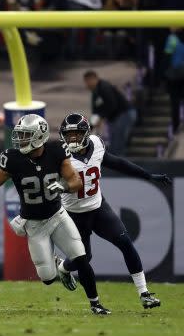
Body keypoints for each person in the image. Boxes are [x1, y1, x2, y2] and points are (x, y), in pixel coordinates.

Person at [0, 114, 111, 315]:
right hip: (34, 224)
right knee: (46, 277)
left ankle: (95, 303)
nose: (21, 140)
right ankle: (57, 264)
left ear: (40, 136)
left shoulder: (56, 151)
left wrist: (62, 186)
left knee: (81, 258)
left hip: (57, 216)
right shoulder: (13, 159)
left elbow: (76, 182)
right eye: (20, 135)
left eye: (26, 135)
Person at [56, 113, 171, 308]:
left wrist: (147, 175)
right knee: (84, 259)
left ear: (86, 133)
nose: (73, 138)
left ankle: (144, 293)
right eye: (69, 135)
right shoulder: (59, 156)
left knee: (125, 242)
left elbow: (117, 162)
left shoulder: (96, 144)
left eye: (76, 134)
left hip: (98, 207)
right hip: (73, 214)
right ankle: (64, 268)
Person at [83, 70, 136, 155]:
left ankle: (120, 163)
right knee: (114, 142)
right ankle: (117, 160)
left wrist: (102, 117)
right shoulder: (95, 93)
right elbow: (95, 113)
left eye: (87, 81)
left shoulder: (104, 87)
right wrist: (90, 129)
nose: (87, 85)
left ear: (93, 79)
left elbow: (112, 105)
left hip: (124, 114)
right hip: (116, 117)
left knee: (117, 142)